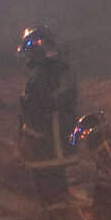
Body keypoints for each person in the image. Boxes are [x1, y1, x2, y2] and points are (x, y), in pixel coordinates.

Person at [15, 26, 79, 207]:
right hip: (47, 151)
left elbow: (44, 109)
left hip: (48, 151)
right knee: (56, 202)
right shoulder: (51, 73)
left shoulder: (50, 74)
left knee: (55, 203)